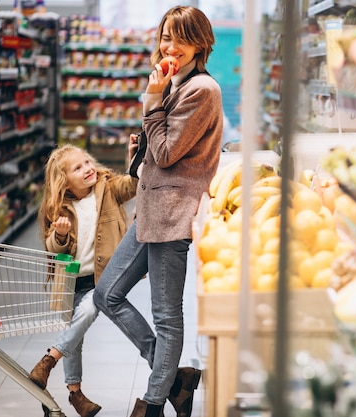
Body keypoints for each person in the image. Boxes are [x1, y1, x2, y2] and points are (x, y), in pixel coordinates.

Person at [93, 6, 223, 417]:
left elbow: (167, 153)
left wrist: (151, 103)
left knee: (166, 315)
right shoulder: (173, 83)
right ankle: (175, 381)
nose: (170, 47)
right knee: (106, 293)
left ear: (200, 44)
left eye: (181, 39)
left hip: (174, 213)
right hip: (151, 210)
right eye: (166, 37)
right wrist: (140, 150)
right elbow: (159, 148)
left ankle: (152, 404)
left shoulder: (203, 90)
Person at [29, 143, 138, 417]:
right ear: (64, 181)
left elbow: (133, 185)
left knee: (89, 309)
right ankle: (76, 395)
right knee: (74, 341)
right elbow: (54, 249)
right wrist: (62, 235)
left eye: (87, 162)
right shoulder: (58, 208)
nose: (88, 169)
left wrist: (133, 160)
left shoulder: (108, 187)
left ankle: (49, 359)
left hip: (100, 279)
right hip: (69, 284)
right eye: (78, 168)